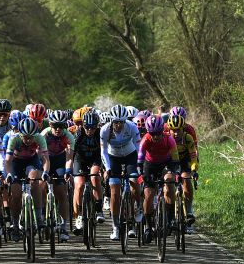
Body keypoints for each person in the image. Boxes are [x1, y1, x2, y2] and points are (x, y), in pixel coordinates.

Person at [100, 104, 142, 240]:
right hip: (114, 157)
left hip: (130, 155)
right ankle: (116, 226)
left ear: (125, 121)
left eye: (121, 122)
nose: (119, 125)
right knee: (114, 191)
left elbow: (138, 146)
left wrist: (139, 165)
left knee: (134, 181)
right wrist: (108, 169)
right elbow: (104, 151)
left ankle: (138, 208)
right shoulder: (105, 130)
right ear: (112, 121)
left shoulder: (132, 127)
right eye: (116, 122)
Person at [4, 117, 50, 239]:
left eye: (31, 137)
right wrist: (8, 174)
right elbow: (8, 161)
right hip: (16, 163)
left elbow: (45, 159)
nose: (28, 140)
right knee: (16, 194)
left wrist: (45, 172)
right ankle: (14, 224)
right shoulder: (14, 139)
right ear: (20, 134)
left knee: (35, 181)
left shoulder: (39, 137)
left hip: (31, 161)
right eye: (25, 137)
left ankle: (39, 217)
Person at [137, 114, 177, 244]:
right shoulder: (145, 139)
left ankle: (170, 218)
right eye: (152, 133)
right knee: (148, 194)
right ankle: (148, 226)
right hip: (150, 165)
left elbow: (175, 159)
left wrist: (176, 174)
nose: (156, 136)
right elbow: (140, 160)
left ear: (162, 131)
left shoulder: (169, 139)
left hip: (166, 163)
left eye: (158, 133)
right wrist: (140, 173)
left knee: (170, 183)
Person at [69, 110, 105, 232]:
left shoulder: (100, 133)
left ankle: (99, 209)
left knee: (95, 177)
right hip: (81, 159)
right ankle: (78, 216)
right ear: (83, 125)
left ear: (97, 126)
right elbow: (72, 152)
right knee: (79, 185)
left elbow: (105, 152)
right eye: (87, 127)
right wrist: (69, 168)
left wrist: (104, 169)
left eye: (92, 128)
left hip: (95, 158)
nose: (89, 130)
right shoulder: (78, 134)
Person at [44, 110, 75, 241]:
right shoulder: (44, 134)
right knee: (40, 186)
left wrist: (68, 171)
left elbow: (69, 158)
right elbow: (39, 155)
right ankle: (41, 216)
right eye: (55, 126)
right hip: (46, 160)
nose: (58, 129)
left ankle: (63, 227)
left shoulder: (69, 136)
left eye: (61, 126)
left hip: (60, 162)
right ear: (50, 124)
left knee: (61, 193)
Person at [168, 114, 199, 230]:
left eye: (178, 130)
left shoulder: (187, 138)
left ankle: (189, 212)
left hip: (184, 161)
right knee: (168, 183)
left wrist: (194, 169)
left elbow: (193, 156)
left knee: (186, 180)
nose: (176, 133)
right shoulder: (166, 138)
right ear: (169, 129)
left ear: (183, 129)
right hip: (170, 161)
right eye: (173, 130)